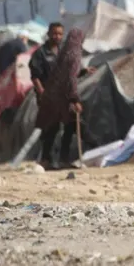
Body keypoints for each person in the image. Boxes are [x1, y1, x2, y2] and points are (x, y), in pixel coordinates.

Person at [34, 28, 85, 171]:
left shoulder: (63, 52)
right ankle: (59, 159)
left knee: (54, 127)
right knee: (69, 126)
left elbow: (65, 75)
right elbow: (71, 79)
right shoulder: (74, 54)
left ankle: (49, 160)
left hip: (53, 97)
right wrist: (75, 99)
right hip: (61, 98)